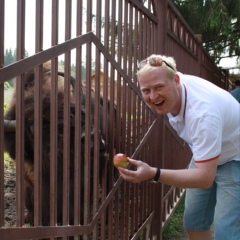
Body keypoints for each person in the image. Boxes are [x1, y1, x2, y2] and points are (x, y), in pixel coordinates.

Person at [118, 54, 240, 240]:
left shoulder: (202, 114)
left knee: (226, 233)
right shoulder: (171, 78)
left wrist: (153, 173)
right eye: (146, 90)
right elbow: (162, 67)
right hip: (207, 154)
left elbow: (204, 178)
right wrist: (155, 59)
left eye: (159, 87)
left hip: (235, 158)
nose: (153, 96)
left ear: (176, 80)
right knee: (194, 223)